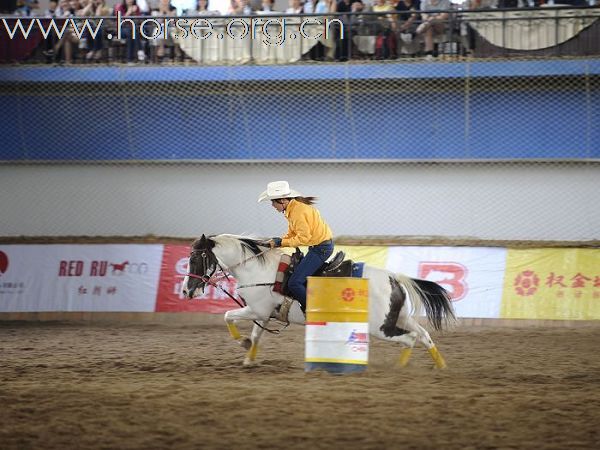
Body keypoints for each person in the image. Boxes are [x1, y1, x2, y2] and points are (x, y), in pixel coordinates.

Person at [258, 181, 334, 313]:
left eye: (273, 202)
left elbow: (303, 238)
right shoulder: (293, 209)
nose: (272, 205)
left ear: (282, 200)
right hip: (319, 247)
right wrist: (278, 240)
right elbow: (292, 233)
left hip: (321, 249)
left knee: (294, 283)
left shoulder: (297, 212)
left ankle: (314, 312)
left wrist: (280, 243)